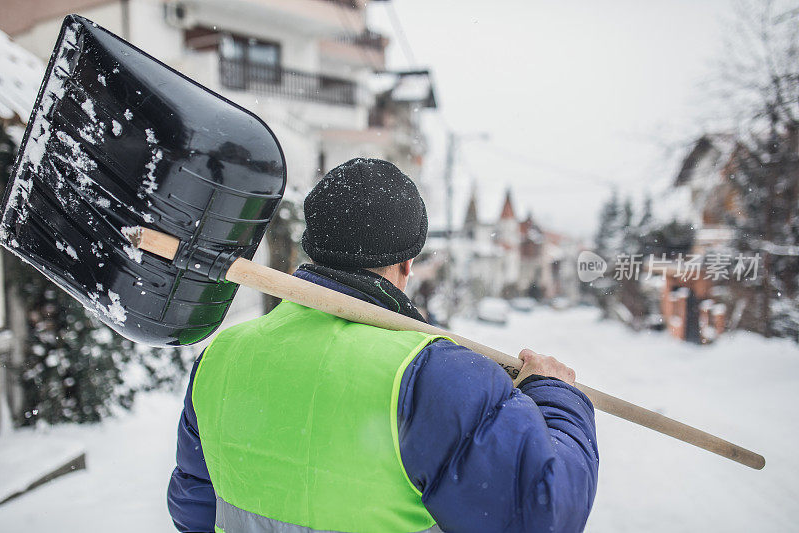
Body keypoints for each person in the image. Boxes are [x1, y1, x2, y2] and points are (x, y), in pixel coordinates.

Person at [167, 158, 599, 533]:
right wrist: (555, 396)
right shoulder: (434, 377)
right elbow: (545, 513)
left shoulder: (221, 356)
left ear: (313, 249)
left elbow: (194, 509)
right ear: (407, 263)